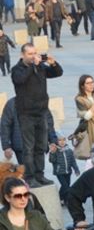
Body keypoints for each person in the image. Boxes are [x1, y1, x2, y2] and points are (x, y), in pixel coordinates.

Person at [11, 44, 62, 186]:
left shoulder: (40, 68)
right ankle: (29, 177)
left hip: (41, 113)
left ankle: (40, 175)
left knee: (41, 147)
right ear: (22, 55)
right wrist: (33, 66)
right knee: (28, 148)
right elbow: (20, 80)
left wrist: (53, 63)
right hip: (26, 115)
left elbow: (58, 73)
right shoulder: (17, 70)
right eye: (30, 54)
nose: (33, 56)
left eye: (35, 53)